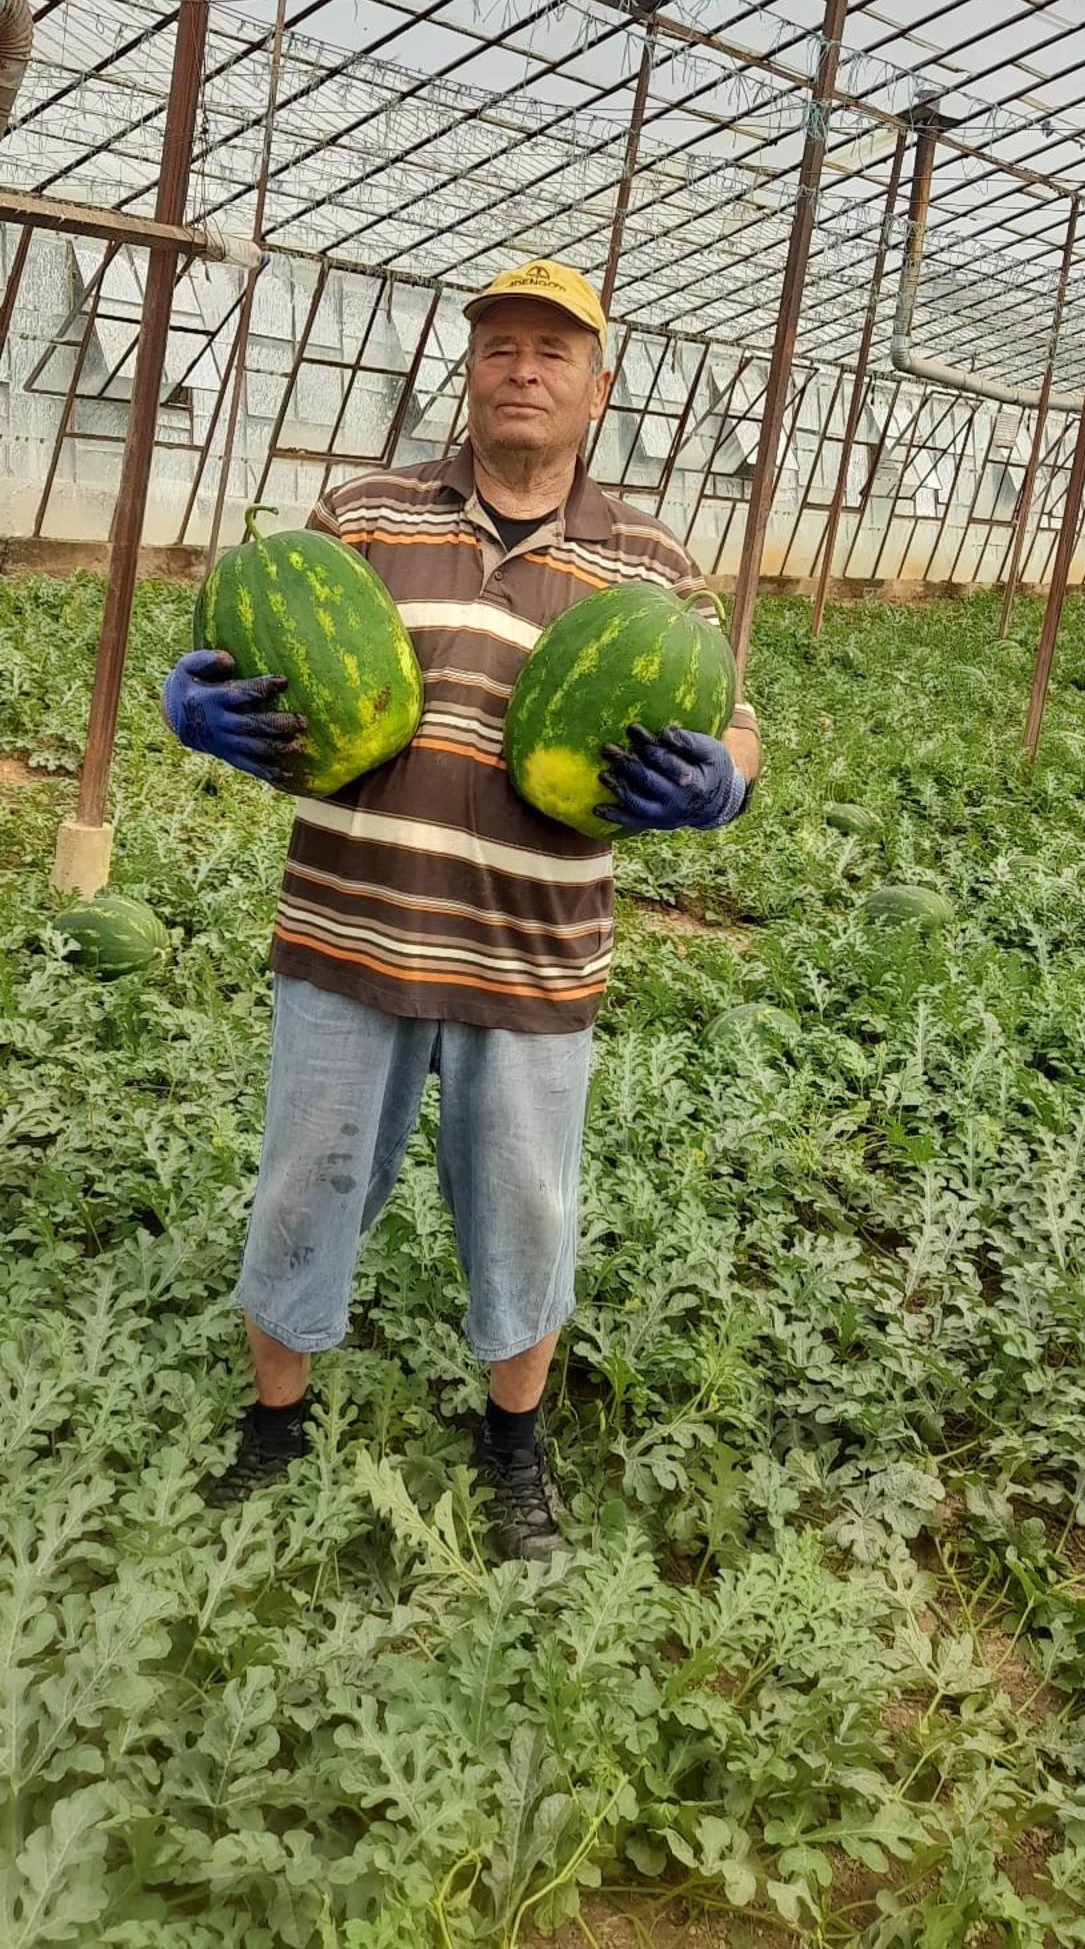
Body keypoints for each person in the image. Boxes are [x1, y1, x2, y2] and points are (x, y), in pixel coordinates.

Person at [162, 258, 760, 1559]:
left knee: (527, 1211)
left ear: (597, 388)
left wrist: (725, 783)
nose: (523, 369)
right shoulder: (363, 514)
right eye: (500, 347)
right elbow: (240, 640)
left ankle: (514, 1449)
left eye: (553, 351)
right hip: (346, 934)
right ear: (471, 370)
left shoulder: (651, 568)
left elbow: (738, 718)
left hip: (534, 956)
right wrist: (186, 697)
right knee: (302, 1191)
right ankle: (274, 1429)